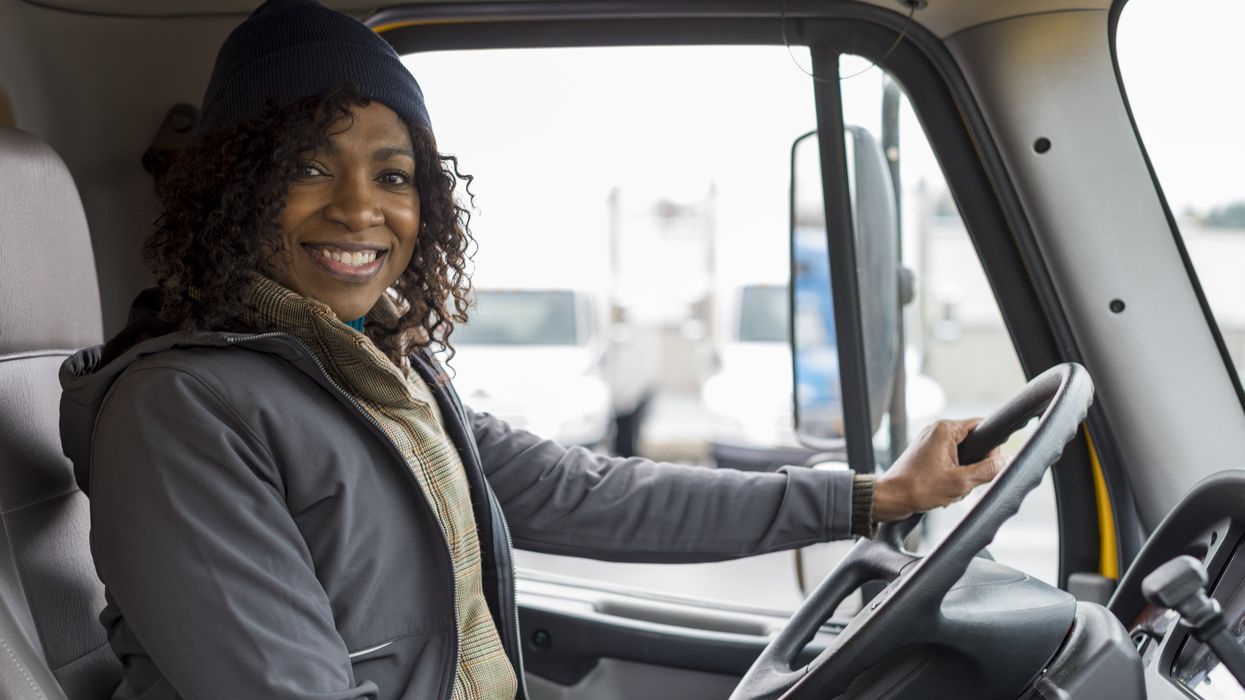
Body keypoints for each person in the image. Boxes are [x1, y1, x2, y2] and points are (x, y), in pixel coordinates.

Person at [58, 1, 1004, 698]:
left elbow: (586, 492)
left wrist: (870, 498)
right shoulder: (180, 410)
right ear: (234, 188)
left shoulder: (381, 375)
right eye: (306, 166)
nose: (359, 207)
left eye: (393, 174)